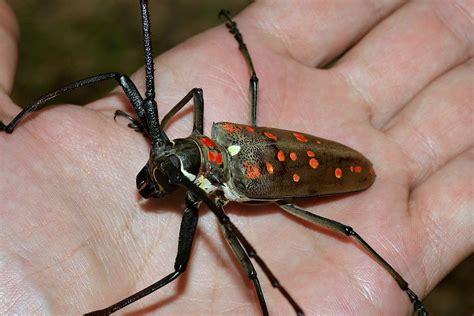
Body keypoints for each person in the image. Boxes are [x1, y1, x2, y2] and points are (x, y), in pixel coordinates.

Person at [1, 0, 472, 314]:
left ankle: (402, 285)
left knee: (340, 234)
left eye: (170, 176)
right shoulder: (206, 142)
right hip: (249, 153)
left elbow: (178, 270)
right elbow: (180, 95)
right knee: (121, 79)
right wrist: (157, 132)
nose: (155, 178)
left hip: (318, 170)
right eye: (166, 163)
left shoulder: (233, 184)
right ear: (190, 142)